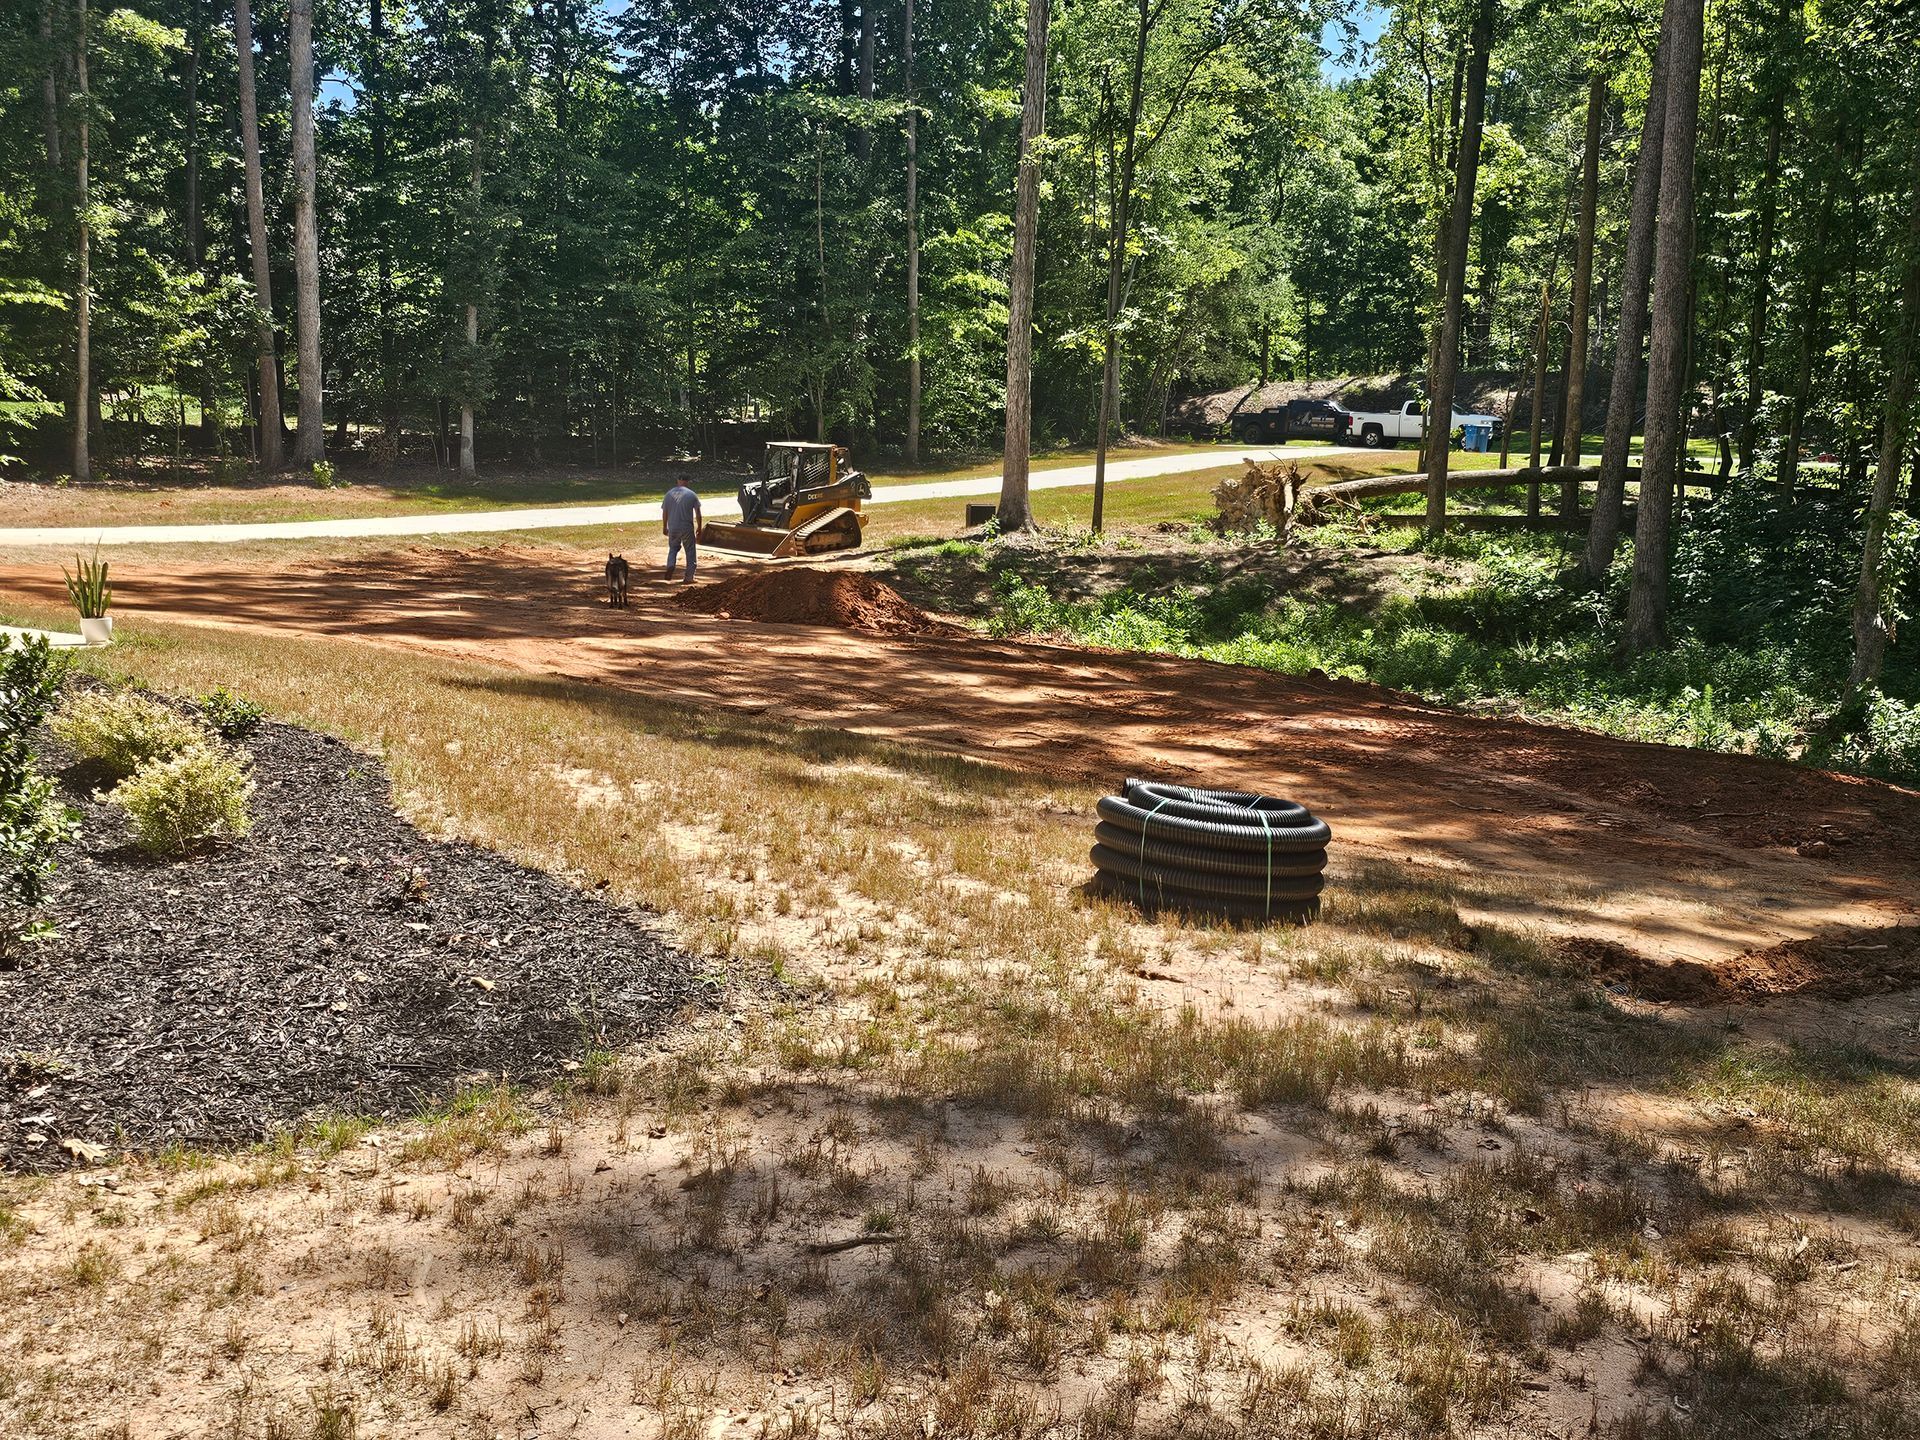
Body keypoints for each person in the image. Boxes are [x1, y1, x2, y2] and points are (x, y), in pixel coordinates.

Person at [661, 472, 702, 582]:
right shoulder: (691, 494)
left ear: (678, 481)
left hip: (673, 527)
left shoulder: (668, 494)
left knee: (673, 548)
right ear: (688, 482)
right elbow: (698, 513)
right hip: (686, 527)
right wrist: (699, 527)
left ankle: (670, 565)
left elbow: (665, 512)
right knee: (690, 551)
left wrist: (665, 526)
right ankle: (689, 577)